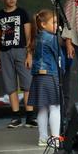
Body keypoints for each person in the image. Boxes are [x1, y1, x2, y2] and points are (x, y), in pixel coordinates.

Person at [0, 0, 37, 128]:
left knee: (27, 84)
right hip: (4, 52)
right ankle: (16, 117)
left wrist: (29, 54)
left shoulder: (22, 13)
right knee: (10, 85)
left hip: (21, 51)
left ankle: (30, 116)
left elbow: (29, 35)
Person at [27, 9, 63, 146]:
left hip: (38, 77)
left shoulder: (36, 37)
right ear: (43, 24)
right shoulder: (51, 38)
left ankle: (43, 137)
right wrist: (62, 70)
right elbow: (59, 57)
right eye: (53, 22)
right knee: (55, 107)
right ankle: (55, 138)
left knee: (42, 108)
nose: (57, 25)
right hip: (50, 75)